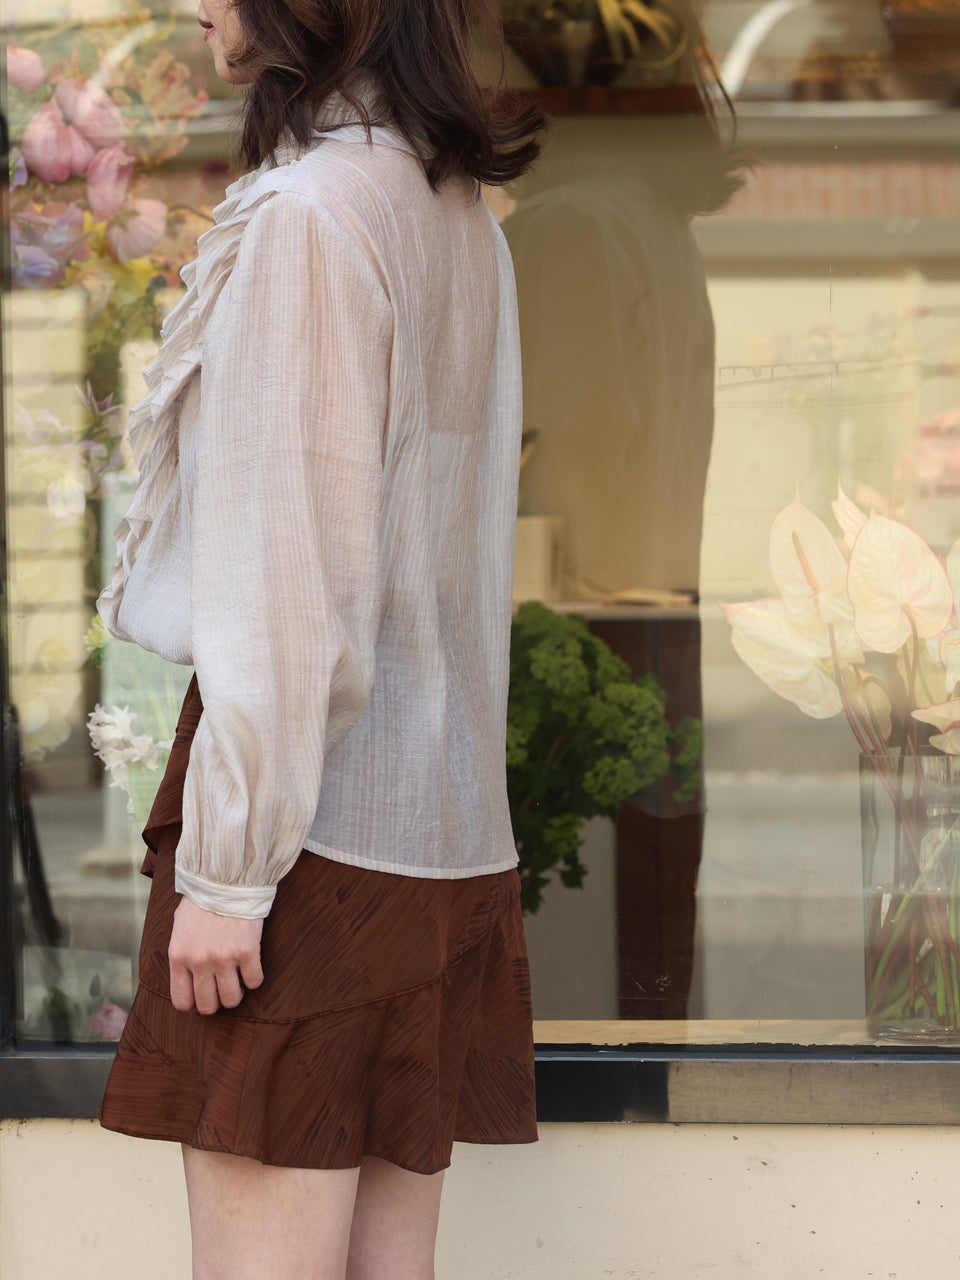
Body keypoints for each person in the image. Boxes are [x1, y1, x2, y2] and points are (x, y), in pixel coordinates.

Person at [96, 0, 545, 1274]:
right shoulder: (453, 213)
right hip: (433, 830)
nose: (199, 2)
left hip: (308, 836)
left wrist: (228, 873)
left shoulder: (311, 217)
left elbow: (293, 575)